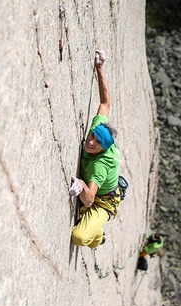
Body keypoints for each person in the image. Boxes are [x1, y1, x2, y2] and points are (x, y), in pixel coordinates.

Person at [68, 50, 121, 249]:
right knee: (86, 225)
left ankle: (97, 237)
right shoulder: (98, 129)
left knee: (80, 239)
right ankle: (95, 230)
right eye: (91, 137)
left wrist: (81, 183)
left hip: (104, 202)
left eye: (96, 143)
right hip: (99, 192)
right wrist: (100, 67)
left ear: (103, 148)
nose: (90, 142)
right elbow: (105, 103)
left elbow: (89, 200)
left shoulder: (100, 166)